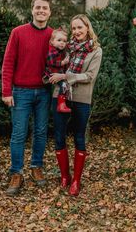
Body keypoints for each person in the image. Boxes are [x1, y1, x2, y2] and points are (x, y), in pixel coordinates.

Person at [2, 0, 52, 196]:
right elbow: (7, 63)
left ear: (50, 11)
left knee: (40, 132)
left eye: (45, 8)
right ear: (32, 10)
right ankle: (16, 172)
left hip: (44, 92)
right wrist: (6, 91)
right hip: (20, 92)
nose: (41, 11)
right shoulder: (18, 33)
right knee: (19, 133)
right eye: (38, 7)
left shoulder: (53, 35)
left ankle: (36, 167)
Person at [49, 14, 102, 196]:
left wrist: (66, 77)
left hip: (81, 98)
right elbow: (55, 64)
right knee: (58, 136)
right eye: (74, 28)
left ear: (87, 28)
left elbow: (89, 76)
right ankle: (65, 176)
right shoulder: (67, 47)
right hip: (60, 95)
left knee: (79, 137)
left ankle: (76, 181)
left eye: (80, 27)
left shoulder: (96, 51)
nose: (77, 31)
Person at [43, 27, 71, 113]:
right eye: (59, 40)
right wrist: (63, 62)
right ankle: (61, 105)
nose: (62, 43)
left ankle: (62, 103)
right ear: (52, 42)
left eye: (64, 41)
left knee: (64, 85)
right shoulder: (52, 52)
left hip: (58, 73)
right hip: (52, 74)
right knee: (63, 85)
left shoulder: (59, 50)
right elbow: (52, 62)